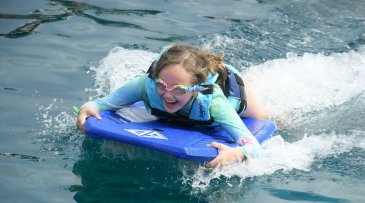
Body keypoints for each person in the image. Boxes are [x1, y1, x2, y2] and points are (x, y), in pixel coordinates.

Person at [76, 43, 268, 168]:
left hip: (233, 92)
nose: (167, 94)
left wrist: (235, 154)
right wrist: (88, 107)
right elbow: (100, 104)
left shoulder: (214, 101)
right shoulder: (145, 84)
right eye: (161, 85)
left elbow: (254, 147)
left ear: (196, 89)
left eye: (179, 89)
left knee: (266, 119)